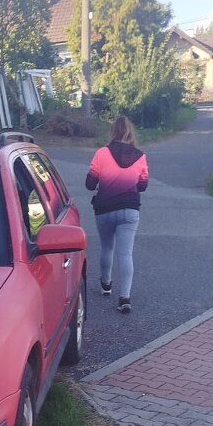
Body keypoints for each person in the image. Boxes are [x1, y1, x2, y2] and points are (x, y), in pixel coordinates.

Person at [85, 115, 149, 314]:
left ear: (113, 131)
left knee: (107, 248)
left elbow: (90, 184)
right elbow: (143, 185)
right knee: (125, 253)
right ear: (130, 132)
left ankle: (106, 284)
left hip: (104, 209)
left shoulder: (101, 153)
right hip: (129, 210)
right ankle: (124, 298)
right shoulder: (140, 156)